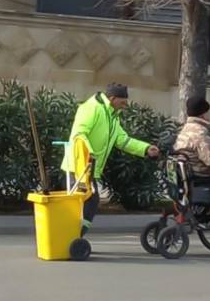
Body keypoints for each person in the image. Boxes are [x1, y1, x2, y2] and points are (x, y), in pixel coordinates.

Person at [62, 83, 160, 236]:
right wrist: (89, 154)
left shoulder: (112, 116)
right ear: (112, 99)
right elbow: (79, 135)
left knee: (89, 202)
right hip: (78, 166)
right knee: (88, 202)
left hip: (90, 169)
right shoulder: (91, 108)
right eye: (122, 102)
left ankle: (75, 237)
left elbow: (122, 140)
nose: (125, 106)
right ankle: (74, 237)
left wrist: (146, 149)